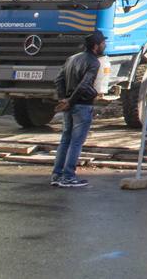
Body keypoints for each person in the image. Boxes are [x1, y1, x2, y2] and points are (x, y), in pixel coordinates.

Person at [52, 31, 105, 188]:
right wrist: (71, 101)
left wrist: (64, 99)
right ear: (96, 46)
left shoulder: (72, 58)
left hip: (69, 104)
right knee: (76, 142)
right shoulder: (94, 62)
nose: (104, 45)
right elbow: (84, 84)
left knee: (65, 140)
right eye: (102, 43)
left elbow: (59, 79)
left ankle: (57, 174)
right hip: (81, 105)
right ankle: (68, 176)